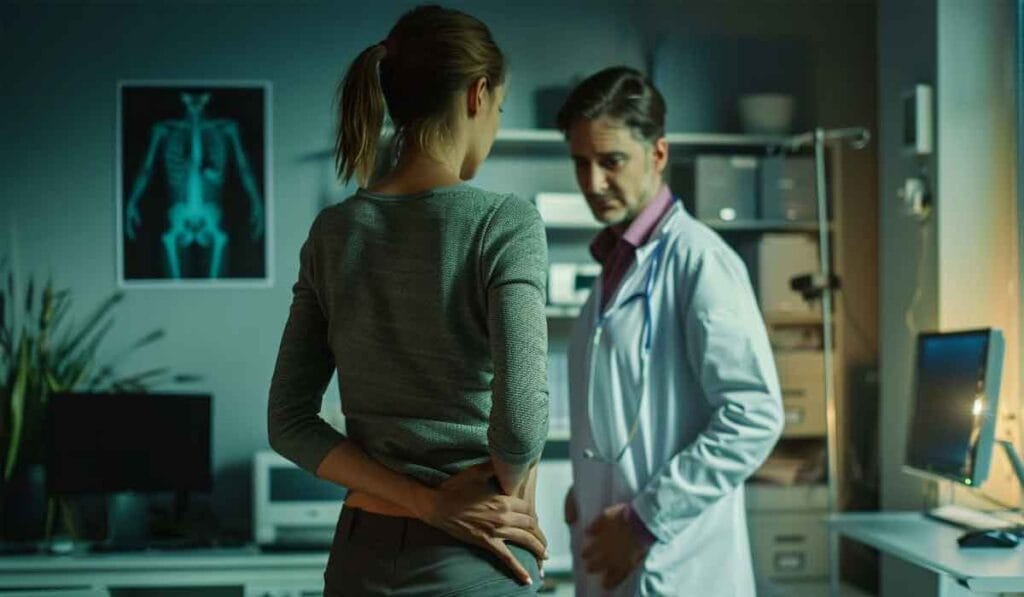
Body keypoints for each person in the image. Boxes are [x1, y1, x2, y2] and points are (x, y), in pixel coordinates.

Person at [267, 5, 550, 595]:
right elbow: (521, 425)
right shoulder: (505, 223)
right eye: (498, 109)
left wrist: (423, 502)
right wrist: (500, 498)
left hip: (359, 556)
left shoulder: (334, 231)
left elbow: (289, 424)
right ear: (477, 95)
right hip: (471, 558)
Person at [556, 66, 785, 596]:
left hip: (676, 563)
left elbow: (754, 416)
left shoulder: (700, 261)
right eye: (580, 164)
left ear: (658, 154)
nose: (593, 183)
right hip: (614, 553)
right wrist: (585, 491)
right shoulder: (613, 268)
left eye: (611, 162)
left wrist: (643, 520)